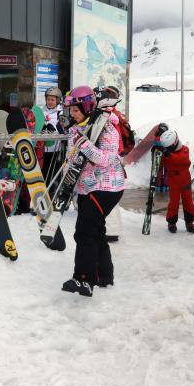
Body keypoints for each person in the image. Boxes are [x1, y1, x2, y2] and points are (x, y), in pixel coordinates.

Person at [61, 86, 125, 297]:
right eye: (70, 110)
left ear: (87, 107)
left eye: (76, 110)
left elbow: (105, 160)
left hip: (106, 187)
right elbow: (74, 155)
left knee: (85, 231)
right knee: (96, 230)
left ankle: (84, 279)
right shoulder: (77, 128)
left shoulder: (107, 128)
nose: (72, 114)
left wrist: (84, 144)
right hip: (86, 186)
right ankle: (104, 275)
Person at [98, 85, 133, 242]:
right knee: (110, 195)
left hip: (110, 159)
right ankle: (110, 228)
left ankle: (111, 230)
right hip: (115, 158)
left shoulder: (109, 116)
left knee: (108, 193)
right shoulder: (115, 114)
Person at [156, 130, 194, 234]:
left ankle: (190, 222)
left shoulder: (185, 150)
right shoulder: (167, 153)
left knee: (188, 201)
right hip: (173, 181)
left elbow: (181, 160)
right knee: (173, 202)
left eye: (169, 147)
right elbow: (161, 164)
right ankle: (171, 222)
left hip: (185, 181)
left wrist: (167, 153)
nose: (167, 149)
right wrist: (156, 152)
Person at [39, 86, 65, 184]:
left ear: (58, 101)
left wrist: (55, 130)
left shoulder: (61, 113)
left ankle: (52, 191)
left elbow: (64, 130)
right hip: (43, 149)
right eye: (48, 99)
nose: (50, 102)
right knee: (43, 172)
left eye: (52, 100)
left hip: (55, 149)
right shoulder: (41, 111)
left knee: (53, 173)